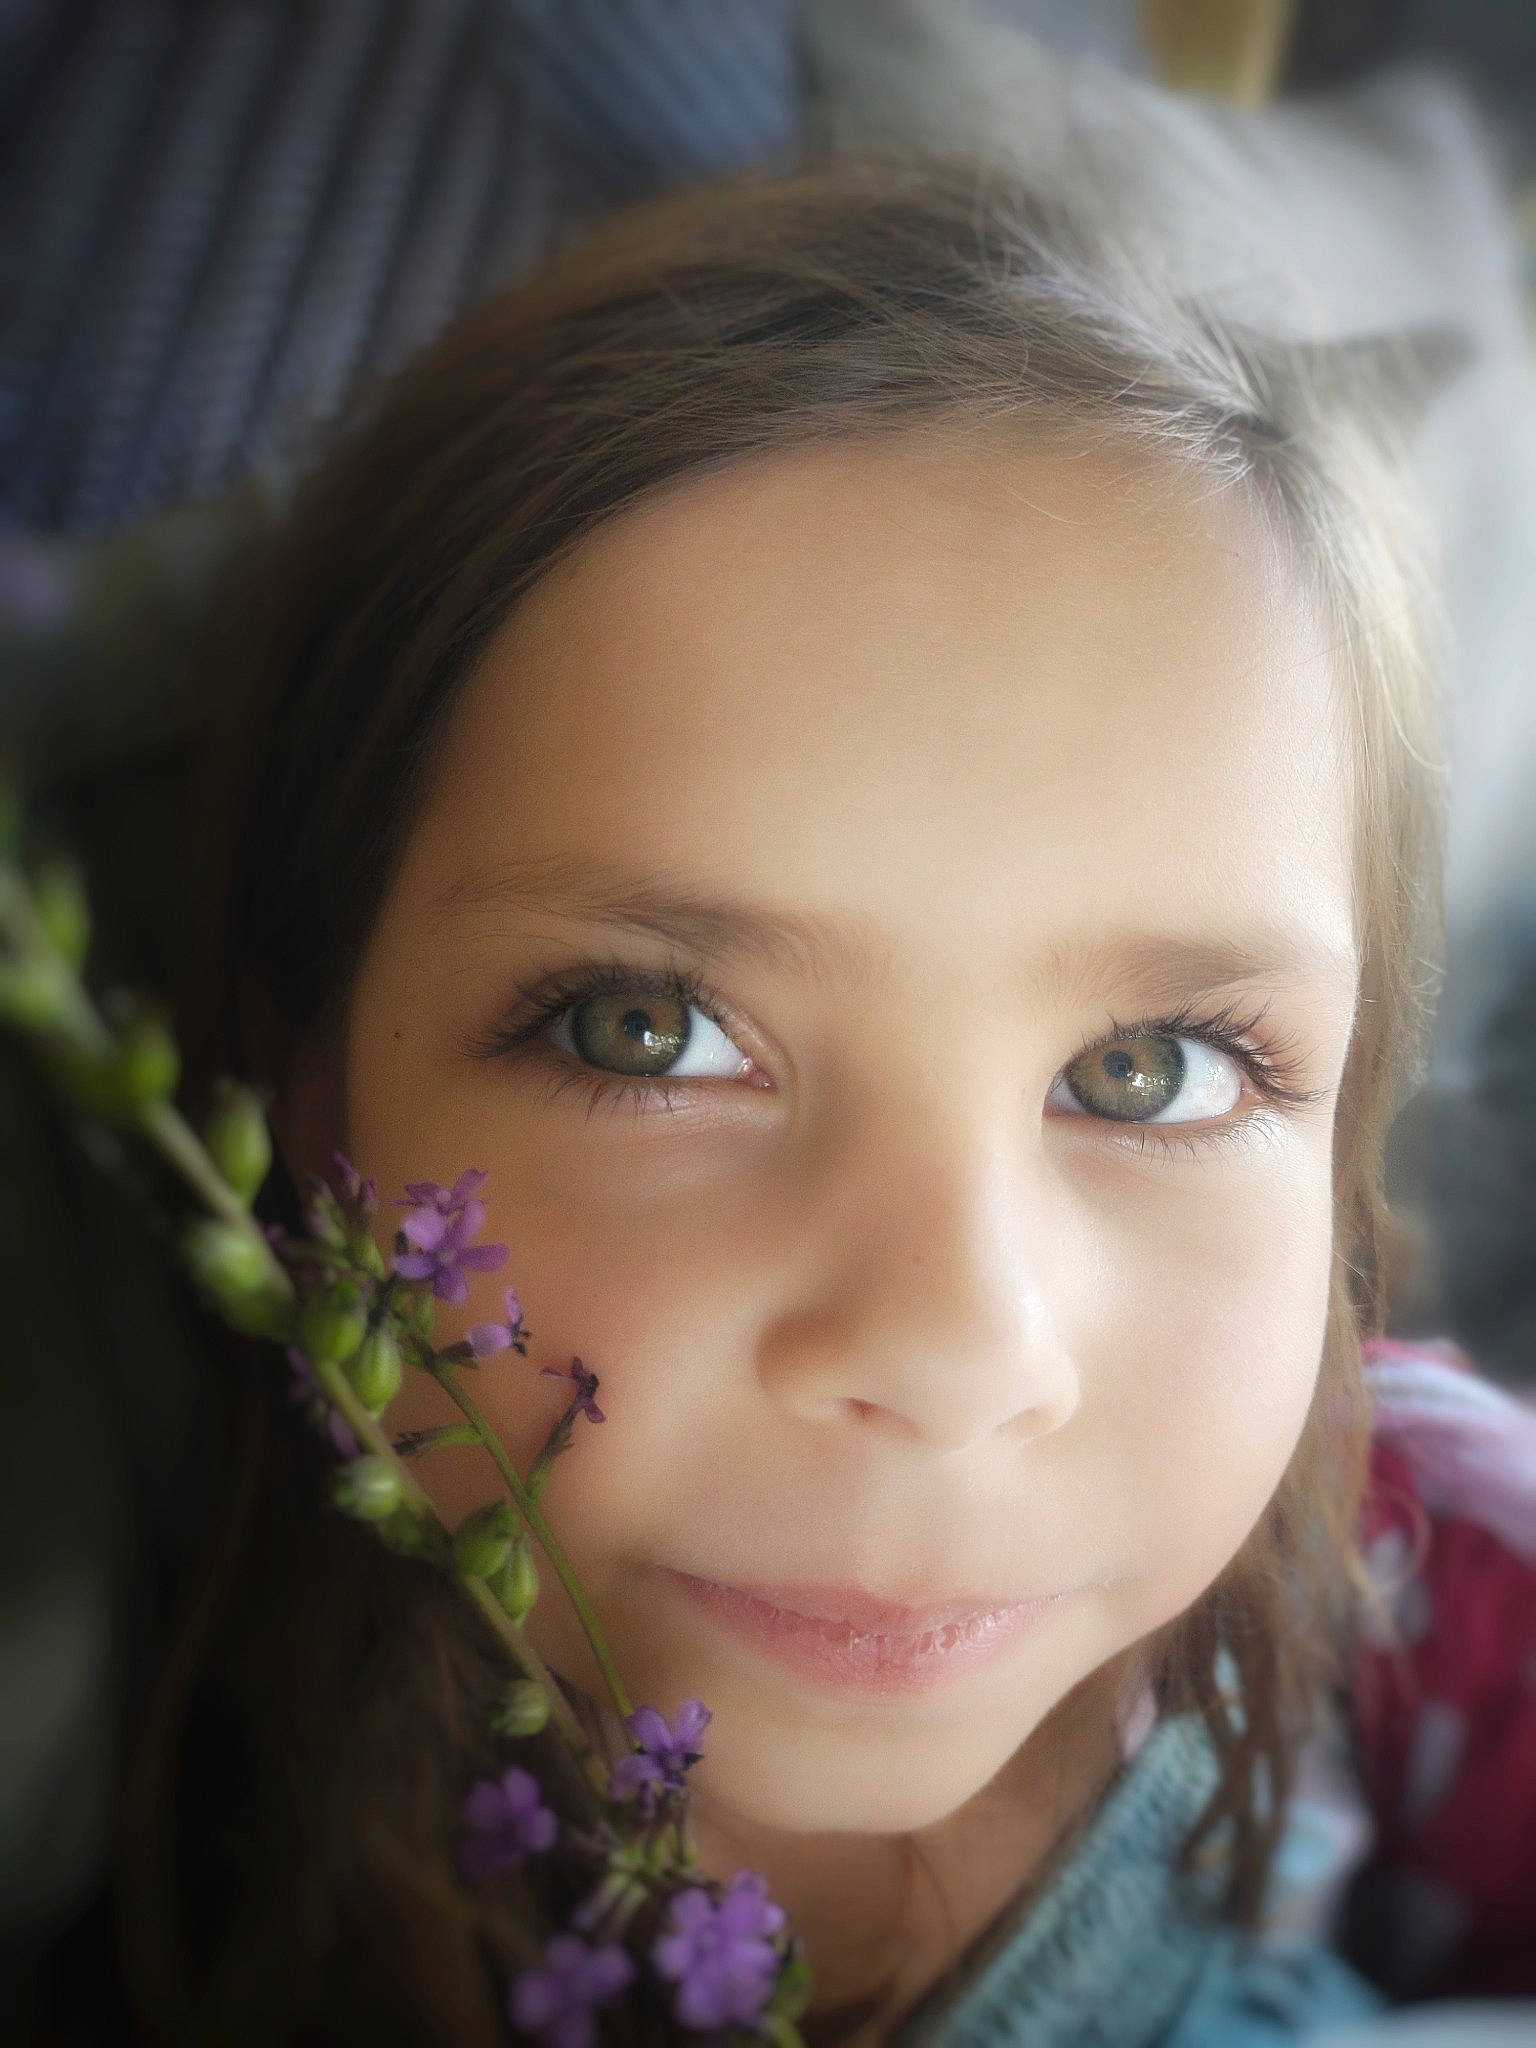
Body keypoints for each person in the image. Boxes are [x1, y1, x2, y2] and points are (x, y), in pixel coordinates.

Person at [123, 151, 1511, 2046]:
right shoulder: (115, 1767)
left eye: (1150, 1071)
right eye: (651, 1034)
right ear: (309, 1095)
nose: (953, 1348)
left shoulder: (1466, 1618)